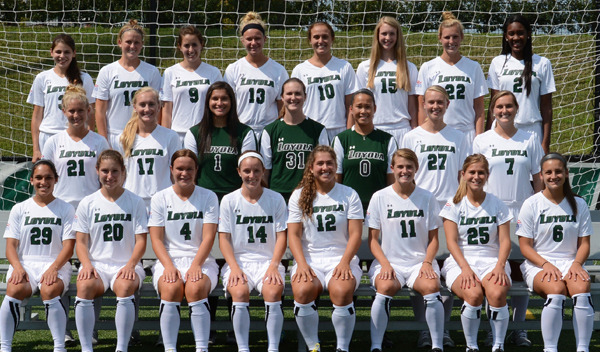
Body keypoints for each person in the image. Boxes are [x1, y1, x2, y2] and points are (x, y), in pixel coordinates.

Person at [473, 90, 544, 348]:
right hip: (490, 213)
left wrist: (539, 209)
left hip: (522, 212)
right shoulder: (482, 140)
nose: (504, 111)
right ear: (493, 111)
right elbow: (474, 177)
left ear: (516, 109)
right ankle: (493, 329)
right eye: (499, 107)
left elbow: (538, 178)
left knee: (517, 272)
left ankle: (519, 328)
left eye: (509, 107)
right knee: (492, 271)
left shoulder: (530, 139)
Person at [403, 85, 466, 349]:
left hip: (450, 210)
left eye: (440, 102)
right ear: (424, 104)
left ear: (447, 104)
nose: (435, 107)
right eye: (430, 102)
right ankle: (424, 329)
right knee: (423, 267)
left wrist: (459, 206)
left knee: (446, 269)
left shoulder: (459, 137)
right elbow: (405, 175)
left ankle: (444, 328)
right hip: (420, 209)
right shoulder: (411, 137)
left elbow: (464, 175)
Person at [366, 149, 444, 352]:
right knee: (384, 288)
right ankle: (376, 344)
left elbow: (434, 239)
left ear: (416, 169)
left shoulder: (427, 197)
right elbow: (373, 240)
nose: (405, 171)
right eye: (400, 166)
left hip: (419, 262)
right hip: (390, 262)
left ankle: (436, 345)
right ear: (392, 168)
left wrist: (427, 263)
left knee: (431, 287)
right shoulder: (379, 197)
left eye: (409, 167)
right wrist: (385, 264)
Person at [288, 145, 363, 352]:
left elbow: (356, 234)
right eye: (320, 163)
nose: (325, 167)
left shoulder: (349, 194)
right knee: (303, 291)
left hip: (341, 257)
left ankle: (342, 347)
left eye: (329, 163)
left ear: (336, 166)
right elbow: (293, 235)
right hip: (310, 259)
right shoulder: (299, 195)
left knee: (341, 291)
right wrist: (301, 264)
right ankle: (314, 347)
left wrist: (345, 262)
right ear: (311, 168)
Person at [518, 153, 594, 352]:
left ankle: (583, 348)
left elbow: (584, 243)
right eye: (548, 172)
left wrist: (577, 264)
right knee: (556, 290)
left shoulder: (579, 204)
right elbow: (525, 246)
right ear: (541, 176)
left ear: (567, 173)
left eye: (558, 171)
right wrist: (545, 264)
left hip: (570, 261)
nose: (554, 176)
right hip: (538, 263)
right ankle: (550, 348)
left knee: (582, 290)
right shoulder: (531, 204)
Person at [73, 149, 147, 352]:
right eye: (105, 171)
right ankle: (86, 347)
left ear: (123, 172)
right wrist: (86, 264)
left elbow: (141, 240)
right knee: (85, 286)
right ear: (97, 171)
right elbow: (80, 242)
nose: (110, 176)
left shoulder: (135, 201)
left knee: (124, 287)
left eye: (115, 171)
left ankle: (121, 347)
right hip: (97, 264)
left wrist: (131, 264)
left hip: (126, 264)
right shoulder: (87, 203)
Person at [148, 149, 219, 352]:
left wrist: (196, 264)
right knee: (171, 288)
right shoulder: (160, 198)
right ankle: (170, 348)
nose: (184, 173)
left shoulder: (208, 196)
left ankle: (201, 347)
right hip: (169, 260)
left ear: (196, 170)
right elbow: (156, 239)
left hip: (201, 260)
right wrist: (168, 266)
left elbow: (208, 236)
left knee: (195, 288)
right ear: (171, 169)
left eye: (189, 168)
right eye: (179, 168)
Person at [0, 160, 75, 352]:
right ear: (31, 180)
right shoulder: (20, 208)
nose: (44, 182)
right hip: (25, 263)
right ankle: (5, 346)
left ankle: (59, 346)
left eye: (48, 177)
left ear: (56, 180)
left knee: (49, 290)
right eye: (39, 178)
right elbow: (11, 246)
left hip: (55, 263)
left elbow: (69, 247)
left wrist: (54, 268)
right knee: (14, 289)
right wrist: (17, 267)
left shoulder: (66, 209)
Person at [440, 154, 512, 352]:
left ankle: (498, 345)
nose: (476, 176)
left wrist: (500, 266)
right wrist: (465, 268)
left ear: (487, 175)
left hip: (492, 260)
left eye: (481, 172)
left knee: (497, 294)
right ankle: (471, 346)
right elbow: (452, 242)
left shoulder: (497, 204)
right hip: (461, 261)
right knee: (473, 295)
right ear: (463, 174)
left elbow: (505, 241)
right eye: (472, 172)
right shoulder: (453, 204)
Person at [219, 151, 288, 352]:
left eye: (256, 171)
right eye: (247, 171)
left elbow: (282, 236)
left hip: (268, 261)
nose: (252, 175)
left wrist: (275, 265)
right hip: (239, 262)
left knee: (273, 291)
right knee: (239, 292)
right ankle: (243, 348)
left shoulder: (275, 199)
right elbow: (223, 239)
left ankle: (273, 347)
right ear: (239, 172)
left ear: (263, 172)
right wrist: (233, 268)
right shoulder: (229, 200)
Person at [415, 12, 488, 149]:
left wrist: (478, 137)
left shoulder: (473, 67)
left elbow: (479, 108)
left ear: (462, 37)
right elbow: (421, 106)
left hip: (466, 133)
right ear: (440, 38)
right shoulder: (428, 67)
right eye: (447, 37)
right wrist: (423, 133)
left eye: (455, 37)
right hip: (439, 132)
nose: (451, 41)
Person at [487, 15, 555, 153]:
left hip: (532, 130)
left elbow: (547, 107)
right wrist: (487, 134)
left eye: (520, 33)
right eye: (511, 33)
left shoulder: (542, 63)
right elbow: (493, 104)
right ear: (506, 36)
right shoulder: (497, 62)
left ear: (528, 34)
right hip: (503, 128)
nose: (516, 38)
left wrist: (545, 143)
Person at [93, 19, 162, 149]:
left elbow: (159, 108)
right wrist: (104, 142)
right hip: (115, 136)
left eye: (136, 42)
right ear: (120, 43)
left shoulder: (152, 72)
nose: (132, 46)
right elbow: (100, 111)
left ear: (142, 44)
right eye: (128, 42)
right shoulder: (107, 71)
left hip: (143, 135)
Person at [184, 81, 257, 200]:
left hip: (234, 197)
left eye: (224, 99)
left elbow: (248, 171)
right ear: (208, 102)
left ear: (231, 101)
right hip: (204, 197)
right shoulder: (194, 133)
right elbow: (190, 170)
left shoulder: (245, 132)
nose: (219, 103)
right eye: (215, 99)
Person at [28, 34, 95, 162]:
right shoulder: (42, 78)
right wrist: (36, 149)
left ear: (74, 53)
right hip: (48, 135)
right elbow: (37, 115)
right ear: (51, 52)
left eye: (67, 52)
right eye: (58, 51)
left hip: (75, 135)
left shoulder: (85, 79)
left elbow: (91, 113)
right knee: (49, 179)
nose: (62, 56)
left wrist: (90, 137)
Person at [260, 78, 329, 201]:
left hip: (309, 195)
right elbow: (265, 171)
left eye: (298, 93)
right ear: (282, 97)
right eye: (289, 93)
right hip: (278, 195)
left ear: (305, 97)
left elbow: (324, 167)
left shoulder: (318, 130)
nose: (293, 97)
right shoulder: (270, 131)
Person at [42, 85, 109, 209]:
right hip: (61, 206)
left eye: (80, 110)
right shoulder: (53, 142)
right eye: (71, 111)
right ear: (64, 111)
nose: (76, 115)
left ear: (88, 111)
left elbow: (105, 178)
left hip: (91, 206)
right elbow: (45, 177)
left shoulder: (100, 142)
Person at [225, 11, 289, 137]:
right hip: (241, 131)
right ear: (242, 41)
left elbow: (283, 107)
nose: (253, 43)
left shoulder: (278, 70)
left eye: (257, 38)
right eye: (249, 39)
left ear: (265, 39)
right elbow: (227, 104)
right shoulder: (233, 69)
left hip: (269, 131)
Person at [355, 16, 418, 145]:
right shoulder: (364, 67)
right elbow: (359, 104)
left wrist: (415, 128)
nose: (387, 38)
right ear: (377, 36)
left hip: (402, 129)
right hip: (375, 128)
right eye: (384, 33)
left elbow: (413, 105)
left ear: (397, 36)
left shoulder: (409, 67)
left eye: (392, 34)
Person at [117, 87, 181, 210]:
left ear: (159, 106)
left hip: (162, 202)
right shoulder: (123, 138)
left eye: (151, 104)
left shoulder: (171, 136)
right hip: (133, 201)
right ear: (135, 107)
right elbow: (122, 174)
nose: (147, 109)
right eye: (142, 105)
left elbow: (175, 175)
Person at [291, 22, 358, 141]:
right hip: (309, 130)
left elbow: (350, 106)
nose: (321, 41)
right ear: (310, 40)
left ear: (332, 39)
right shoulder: (300, 70)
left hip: (338, 130)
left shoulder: (344, 67)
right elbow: (293, 106)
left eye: (325, 37)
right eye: (316, 37)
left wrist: (349, 135)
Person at [333, 89, 396, 211]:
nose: (363, 111)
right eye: (359, 106)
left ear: (375, 109)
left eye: (368, 107)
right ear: (351, 109)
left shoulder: (387, 140)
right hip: (349, 207)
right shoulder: (341, 139)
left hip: (379, 207)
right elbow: (336, 180)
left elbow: (391, 181)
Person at [161, 26, 223, 144]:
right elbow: (167, 110)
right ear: (179, 46)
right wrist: (166, 138)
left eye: (194, 45)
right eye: (186, 45)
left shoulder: (213, 72)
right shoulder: (170, 72)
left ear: (201, 44)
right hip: (177, 134)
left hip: (205, 133)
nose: (191, 50)